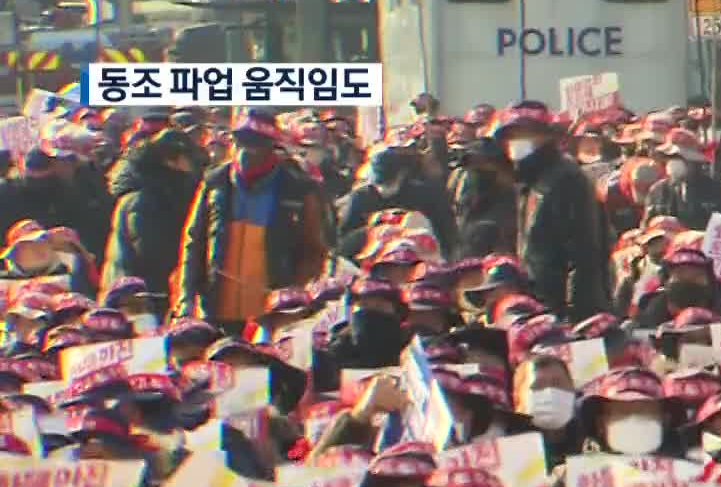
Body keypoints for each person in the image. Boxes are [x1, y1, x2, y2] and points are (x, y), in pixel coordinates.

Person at [175, 111, 330, 331]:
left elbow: (314, 249)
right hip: (217, 306)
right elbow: (193, 243)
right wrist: (186, 299)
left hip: (273, 313)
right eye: (242, 142)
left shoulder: (298, 188)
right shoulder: (214, 182)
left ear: (271, 148)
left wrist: (294, 294)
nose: (247, 151)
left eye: (257, 144)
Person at [494, 101, 611, 321]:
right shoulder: (528, 181)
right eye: (513, 135)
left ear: (547, 136)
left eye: (527, 133)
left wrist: (576, 315)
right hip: (538, 304)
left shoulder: (567, 179)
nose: (518, 141)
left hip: (566, 311)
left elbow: (584, 254)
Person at [101, 128, 200, 313]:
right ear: (172, 161)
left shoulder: (169, 194)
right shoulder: (144, 201)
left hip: (147, 296)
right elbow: (154, 254)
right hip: (142, 302)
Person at [338, 144, 457, 257]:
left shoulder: (425, 195)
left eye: (388, 182)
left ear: (402, 174)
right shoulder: (361, 198)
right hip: (372, 258)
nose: (383, 189)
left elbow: (446, 233)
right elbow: (343, 242)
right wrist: (372, 230)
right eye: (378, 183)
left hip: (419, 256)